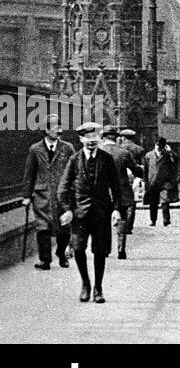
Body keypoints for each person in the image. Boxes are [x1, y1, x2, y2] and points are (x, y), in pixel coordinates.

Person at [57, 122, 122, 303]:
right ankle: (85, 284)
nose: (91, 141)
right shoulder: (74, 160)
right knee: (78, 248)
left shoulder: (106, 159)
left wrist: (116, 209)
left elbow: (116, 187)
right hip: (79, 214)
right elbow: (63, 187)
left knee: (100, 251)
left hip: (101, 213)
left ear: (100, 138)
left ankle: (98, 288)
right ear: (81, 139)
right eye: (87, 137)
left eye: (95, 137)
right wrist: (67, 209)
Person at [22, 121, 74, 270]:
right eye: (56, 128)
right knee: (42, 227)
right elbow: (29, 174)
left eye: (60, 127)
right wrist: (26, 196)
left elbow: (74, 170)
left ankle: (61, 253)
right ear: (46, 130)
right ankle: (45, 260)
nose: (60, 130)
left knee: (64, 228)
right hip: (42, 195)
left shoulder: (68, 148)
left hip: (62, 195)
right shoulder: (35, 149)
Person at [99, 126, 139, 260]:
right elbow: (136, 170)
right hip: (122, 191)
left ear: (103, 137)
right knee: (121, 219)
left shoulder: (98, 152)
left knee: (103, 220)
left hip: (102, 191)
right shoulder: (123, 153)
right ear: (116, 137)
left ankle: (104, 249)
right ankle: (121, 249)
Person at [143, 137, 178, 226]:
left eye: (160, 145)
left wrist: (170, 151)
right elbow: (146, 170)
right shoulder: (149, 155)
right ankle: (153, 220)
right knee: (153, 202)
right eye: (157, 145)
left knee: (165, 200)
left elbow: (176, 160)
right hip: (153, 182)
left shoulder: (167, 155)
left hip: (165, 182)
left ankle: (166, 220)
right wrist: (146, 182)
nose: (158, 147)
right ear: (155, 144)